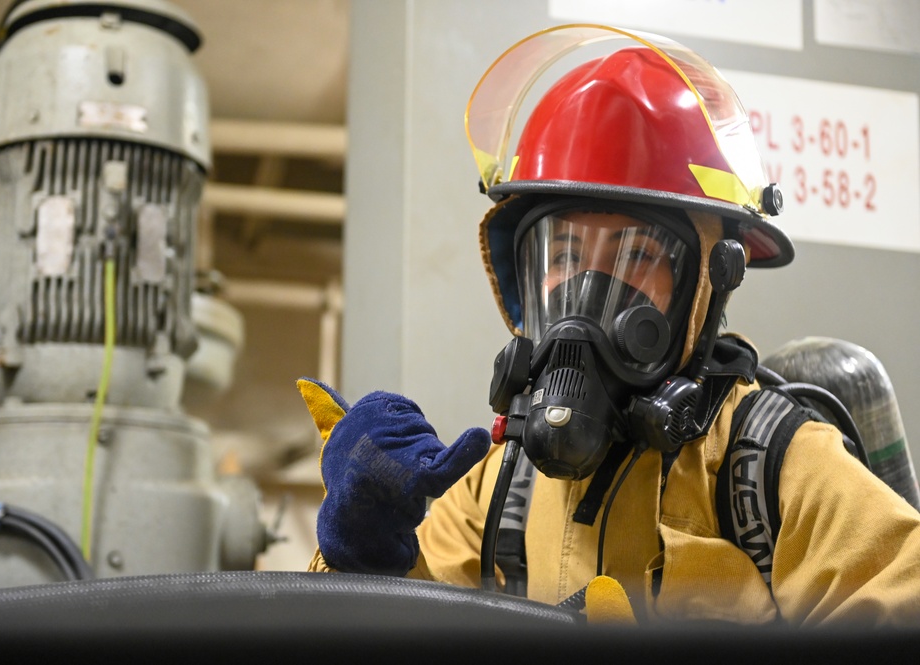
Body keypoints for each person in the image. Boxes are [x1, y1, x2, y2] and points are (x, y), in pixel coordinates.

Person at [297, 25, 920, 627]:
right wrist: (361, 556)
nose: (585, 297)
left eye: (639, 256)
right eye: (563, 257)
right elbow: (369, 640)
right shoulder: (494, 490)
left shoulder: (777, 474)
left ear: (709, 283)